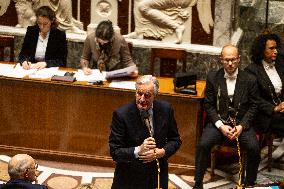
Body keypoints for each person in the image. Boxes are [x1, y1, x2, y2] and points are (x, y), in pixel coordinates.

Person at [193, 45, 261, 189]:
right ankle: (197, 183)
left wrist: (242, 126)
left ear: (239, 59)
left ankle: (249, 182)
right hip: (219, 123)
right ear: (221, 60)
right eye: (227, 60)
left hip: (241, 124)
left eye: (233, 60)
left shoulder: (250, 79)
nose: (230, 64)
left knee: (254, 147)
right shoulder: (212, 77)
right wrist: (220, 125)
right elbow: (209, 105)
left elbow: (254, 106)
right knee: (203, 144)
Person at [109, 75, 181, 189]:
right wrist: (138, 150)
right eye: (139, 93)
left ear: (155, 95)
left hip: (156, 177)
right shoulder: (121, 115)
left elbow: (175, 140)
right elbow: (115, 152)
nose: (142, 99)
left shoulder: (166, 110)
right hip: (129, 178)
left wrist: (162, 152)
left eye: (147, 95)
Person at [245, 32, 284, 159]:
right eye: (271, 48)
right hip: (263, 115)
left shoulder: (279, 66)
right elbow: (254, 99)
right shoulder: (252, 70)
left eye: (276, 48)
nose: (276, 51)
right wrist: (274, 108)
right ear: (262, 50)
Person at [18, 6, 67, 70]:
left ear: (52, 20)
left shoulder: (59, 35)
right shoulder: (31, 31)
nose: (41, 27)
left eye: (45, 24)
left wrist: (46, 63)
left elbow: (62, 61)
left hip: (49, 70)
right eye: (39, 23)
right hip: (32, 68)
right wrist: (24, 61)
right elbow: (23, 53)